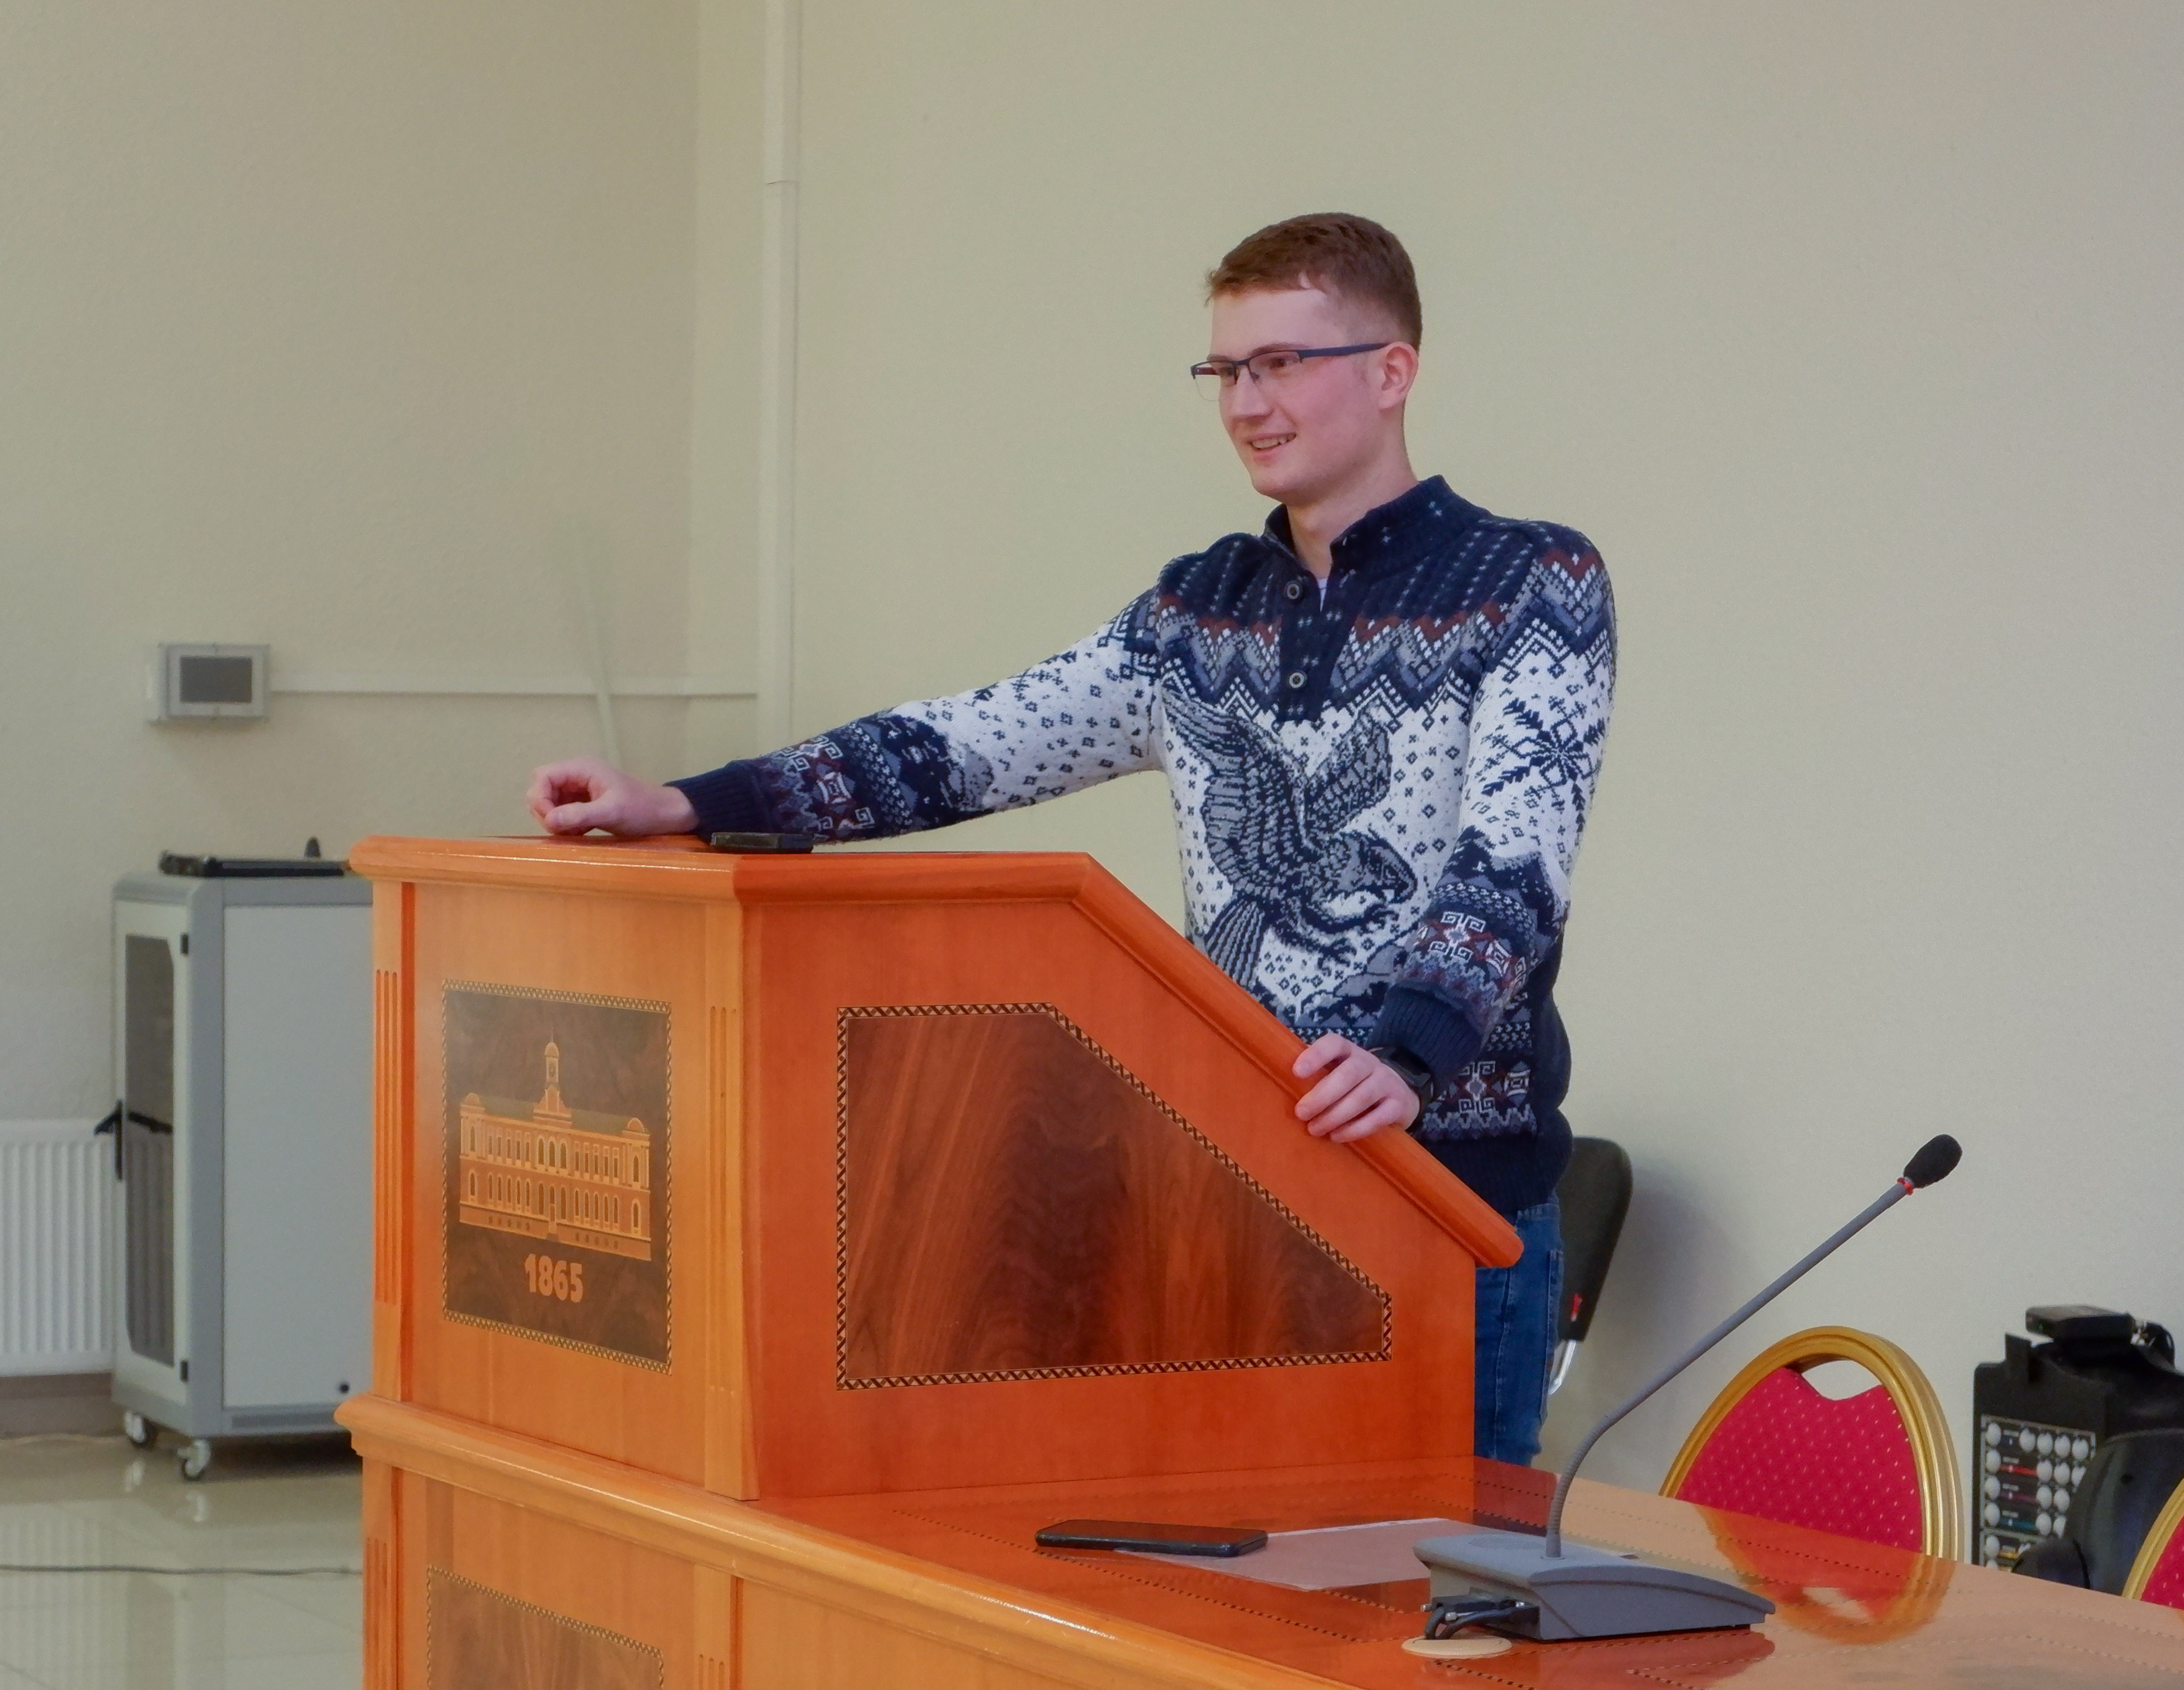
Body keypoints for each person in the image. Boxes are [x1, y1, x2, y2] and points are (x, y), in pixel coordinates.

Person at [526, 213, 1615, 1467]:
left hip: (1446, 1207)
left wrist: (1409, 1048)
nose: (1247, 403)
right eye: (1227, 370)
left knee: (1437, 1582)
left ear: (1391, 370)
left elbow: (1517, 855)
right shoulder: (1201, 610)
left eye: (1282, 362)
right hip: (1232, 1200)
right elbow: (969, 743)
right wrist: (686, 801)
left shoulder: (1531, 580)